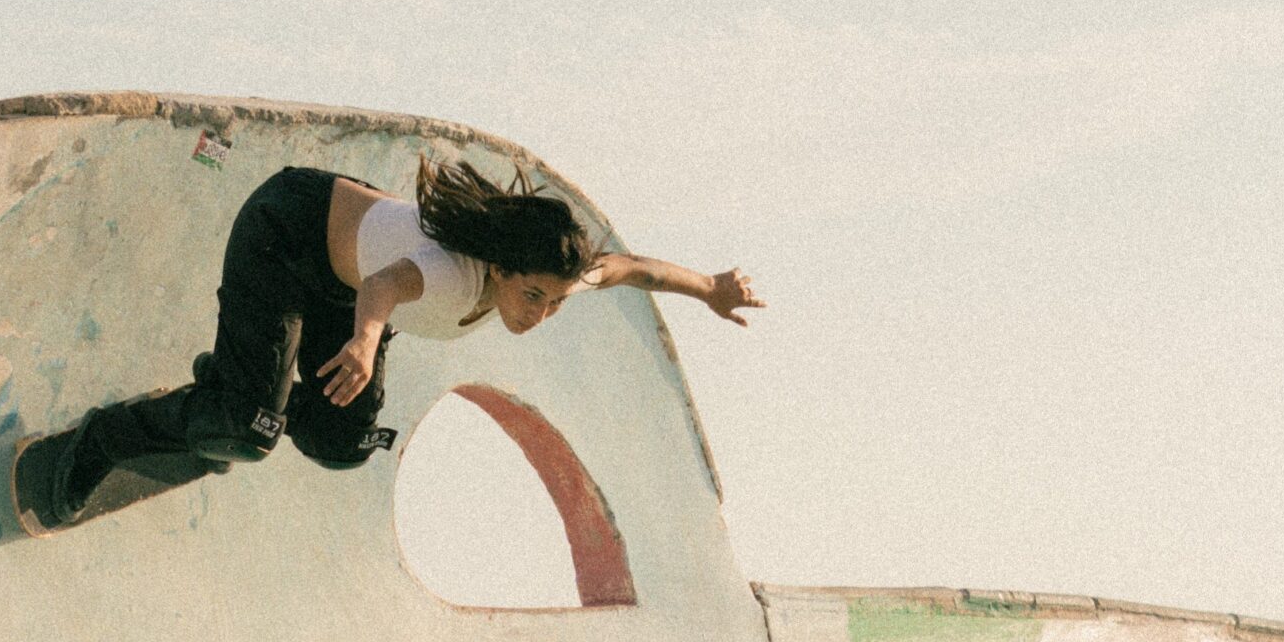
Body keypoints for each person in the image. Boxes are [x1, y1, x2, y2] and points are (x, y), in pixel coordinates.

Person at [40, 157, 763, 526]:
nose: (538, 313)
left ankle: (238, 384)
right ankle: (105, 438)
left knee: (342, 444)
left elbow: (634, 270)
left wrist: (711, 289)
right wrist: (361, 342)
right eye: (529, 297)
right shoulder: (451, 277)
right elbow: (383, 288)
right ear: (502, 270)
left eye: (553, 303)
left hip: (344, 279)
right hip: (286, 235)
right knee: (251, 433)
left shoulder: (563, 276)